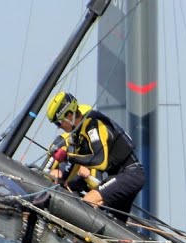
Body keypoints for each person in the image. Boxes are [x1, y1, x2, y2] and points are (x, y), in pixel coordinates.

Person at [45, 91, 146, 226]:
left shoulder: (92, 124)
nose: (59, 128)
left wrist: (68, 157)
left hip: (130, 174)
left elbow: (100, 161)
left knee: (87, 203)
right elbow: (75, 166)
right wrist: (62, 182)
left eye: (58, 123)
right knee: (115, 227)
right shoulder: (78, 133)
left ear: (69, 115)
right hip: (118, 176)